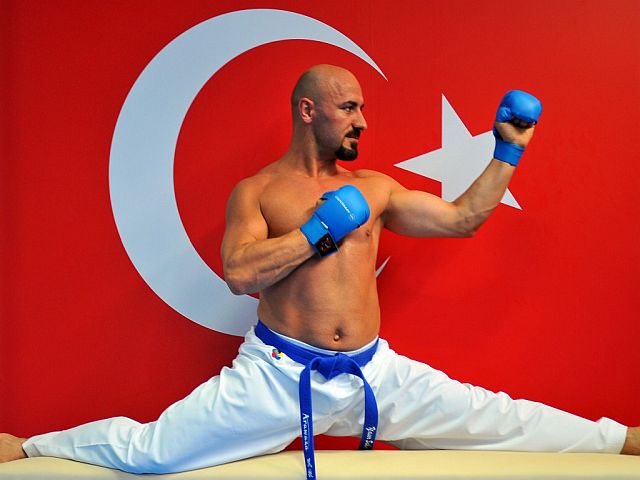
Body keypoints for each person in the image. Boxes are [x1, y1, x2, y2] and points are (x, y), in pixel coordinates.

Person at [1, 64, 638, 476]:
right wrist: (315, 235)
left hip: (373, 372)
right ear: (308, 110)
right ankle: (30, 447)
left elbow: (461, 219)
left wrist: (507, 153)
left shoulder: (375, 187)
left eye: (361, 109)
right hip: (278, 376)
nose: (363, 121)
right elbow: (239, 273)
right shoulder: (257, 191)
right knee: (153, 452)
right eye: (349, 108)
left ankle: (622, 440)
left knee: (499, 419)